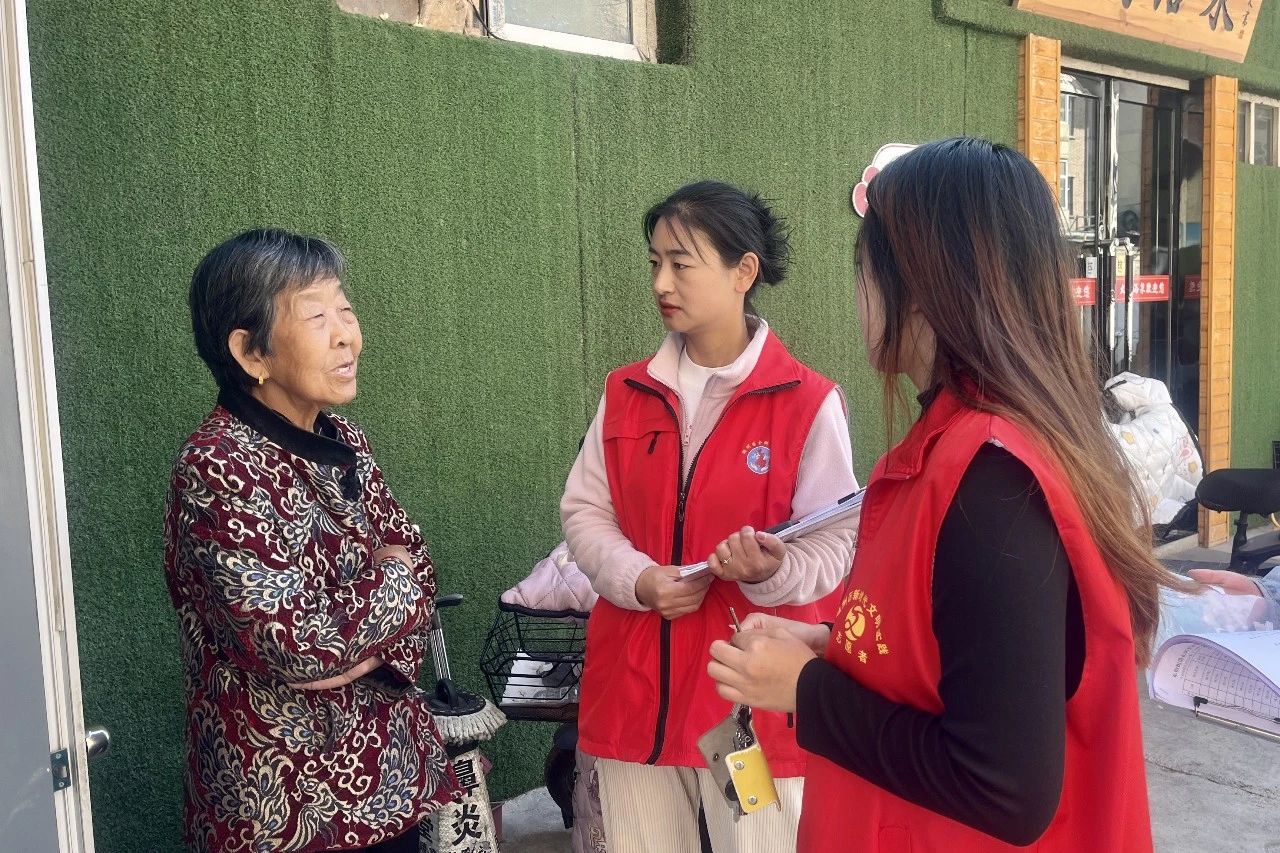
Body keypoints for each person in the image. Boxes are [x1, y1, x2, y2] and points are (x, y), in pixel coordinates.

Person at [707, 138, 1193, 851]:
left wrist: (809, 691)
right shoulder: (959, 450)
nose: (858, 298)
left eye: (864, 272)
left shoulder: (991, 479)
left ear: (923, 288)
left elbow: (1004, 784)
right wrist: (836, 651)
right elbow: (961, 661)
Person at [561, 180, 859, 852]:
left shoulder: (807, 401)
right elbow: (585, 511)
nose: (661, 282)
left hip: (745, 710)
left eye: (681, 263)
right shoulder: (625, 392)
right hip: (635, 703)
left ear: (743, 271)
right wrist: (638, 579)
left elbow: (836, 541)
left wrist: (770, 571)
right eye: (654, 262)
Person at [164, 228, 455, 852]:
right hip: (284, 807)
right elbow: (297, 645)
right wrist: (391, 586)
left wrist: (370, 632)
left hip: (389, 783)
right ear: (251, 352)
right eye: (317, 316)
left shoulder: (345, 440)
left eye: (344, 309)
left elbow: (422, 573)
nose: (346, 333)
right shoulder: (218, 465)